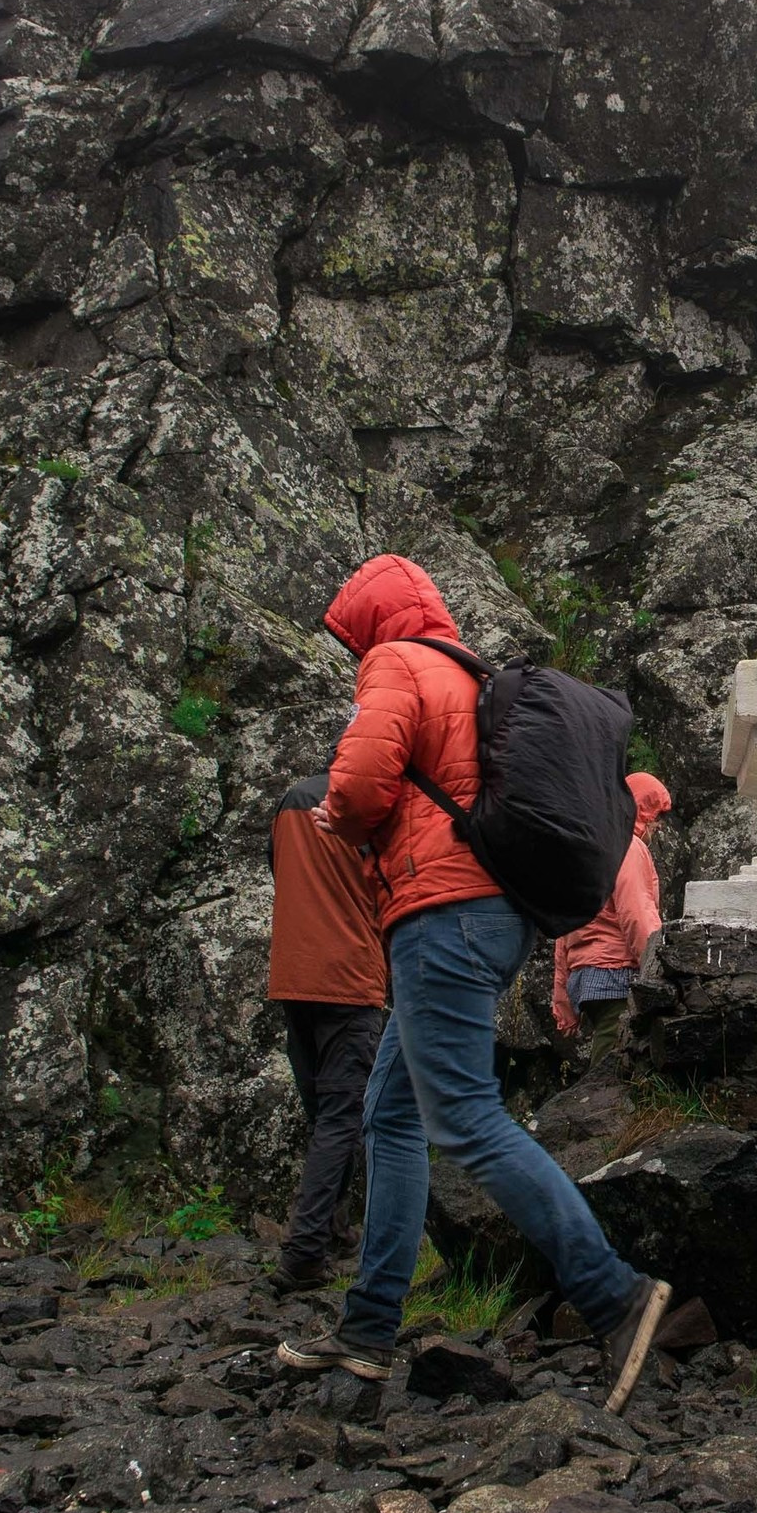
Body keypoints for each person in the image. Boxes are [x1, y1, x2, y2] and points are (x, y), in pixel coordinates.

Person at [273, 554, 674, 1413]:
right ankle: (367, 1329)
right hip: (496, 916)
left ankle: (615, 1295)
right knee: (390, 1114)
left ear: (370, 624)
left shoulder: (396, 662)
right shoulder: (472, 677)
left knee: (463, 1116)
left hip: (441, 914)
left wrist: (338, 816)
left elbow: (361, 782)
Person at [267, 754, 387, 1293]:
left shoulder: (291, 799)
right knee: (342, 1117)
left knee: (325, 1114)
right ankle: (304, 1252)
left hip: (294, 974)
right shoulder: (371, 808)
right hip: (349, 977)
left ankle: (333, 1232)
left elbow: (280, 871)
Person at [553, 773, 671, 1063]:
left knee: (611, 1055)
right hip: (614, 972)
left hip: (584, 978)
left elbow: (563, 929)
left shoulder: (587, 846)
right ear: (640, 810)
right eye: (656, 816)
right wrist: (658, 967)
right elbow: (637, 914)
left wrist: (562, 1002)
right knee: (611, 1067)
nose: (658, 826)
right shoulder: (627, 847)